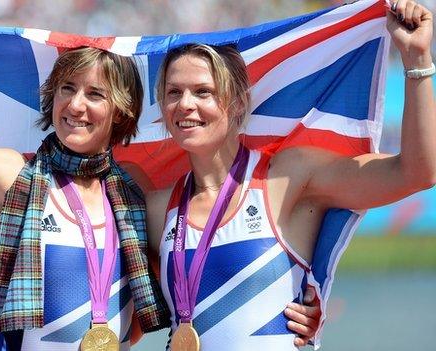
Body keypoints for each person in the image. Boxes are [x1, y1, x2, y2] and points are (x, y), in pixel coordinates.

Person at [0, 0, 323, 349]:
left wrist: (296, 308)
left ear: (121, 112)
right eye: (67, 89)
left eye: (95, 94)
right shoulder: (8, 177)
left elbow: (201, 274)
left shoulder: (135, 196)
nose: (75, 105)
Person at [147, 0, 435, 350]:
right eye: (173, 92)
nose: (185, 104)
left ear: (237, 102)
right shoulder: (158, 207)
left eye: (203, 91)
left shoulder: (287, 178)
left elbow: (416, 173)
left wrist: (417, 60)